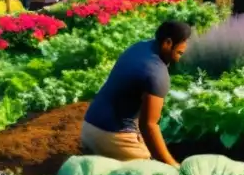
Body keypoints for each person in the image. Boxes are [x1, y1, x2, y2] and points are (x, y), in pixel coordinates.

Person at [81, 21, 191, 166]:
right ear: (168, 43)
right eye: (181, 48)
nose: (184, 50)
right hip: (111, 136)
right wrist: (172, 165)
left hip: (88, 128)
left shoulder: (139, 46)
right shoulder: (157, 73)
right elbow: (149, 125)